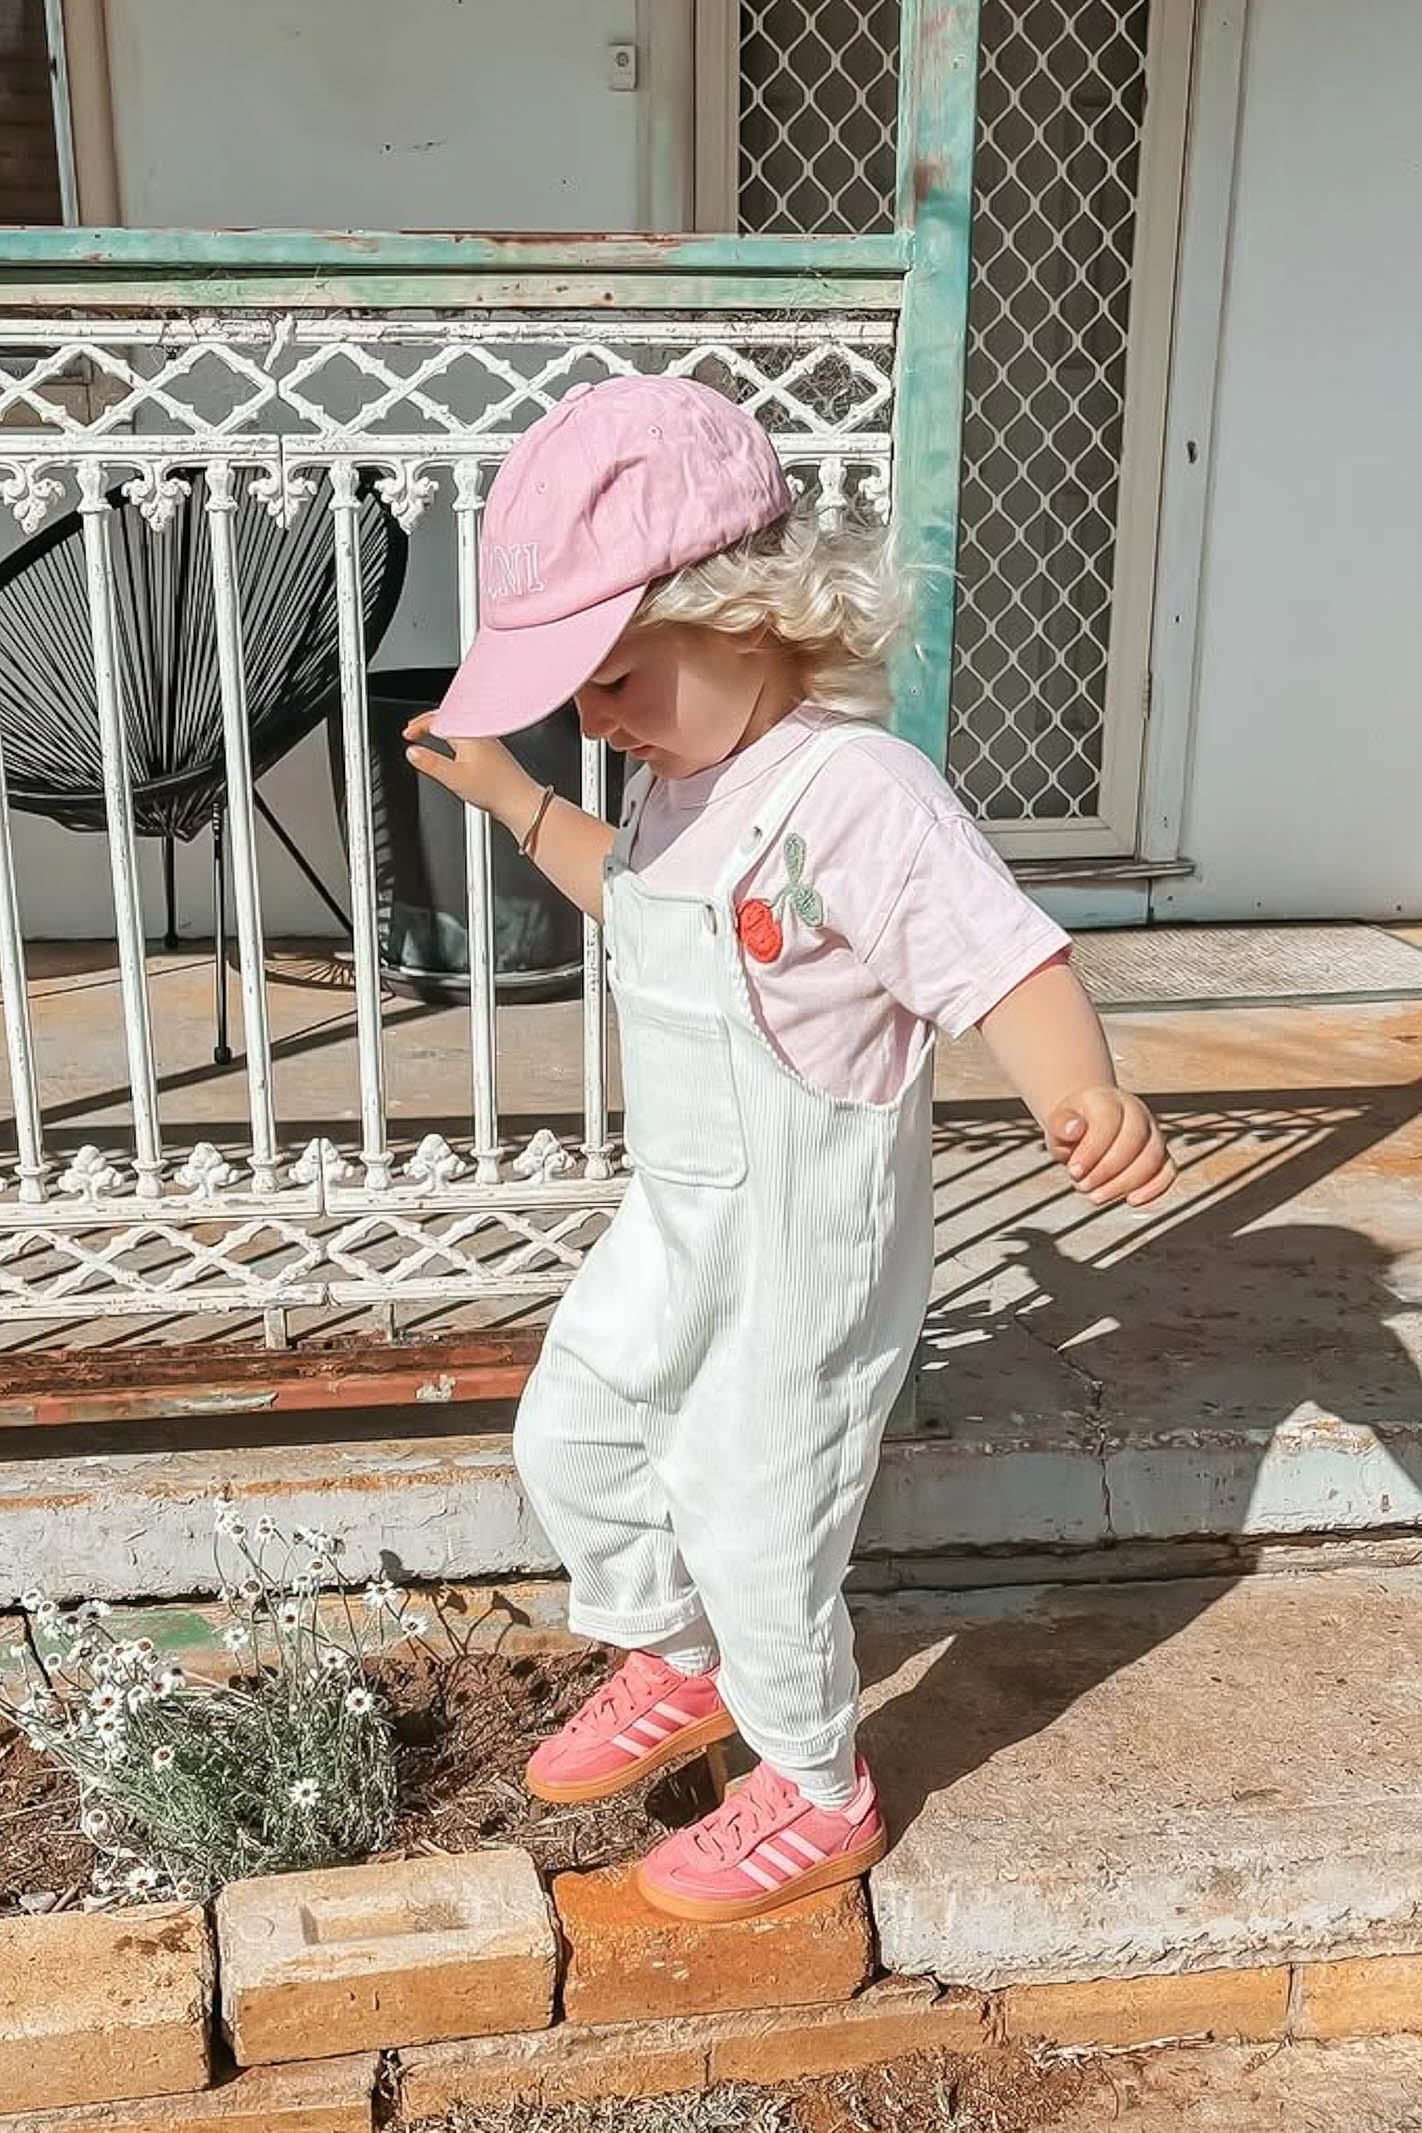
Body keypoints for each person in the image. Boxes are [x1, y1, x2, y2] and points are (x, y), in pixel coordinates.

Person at [405, 375, 1175, 1923]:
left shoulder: (858, 794)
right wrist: (513, 797)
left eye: (615, 678)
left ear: (748, 616)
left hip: (803, 1252)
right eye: (577, 696)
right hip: (678, 1216)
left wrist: (1072, 1085)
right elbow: (629, 897)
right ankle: (676, 1661)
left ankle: (818, 1785)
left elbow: (1001, 958)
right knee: (575, 1431)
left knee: (761, 1519)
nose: (593, 715)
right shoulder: (673, 785)